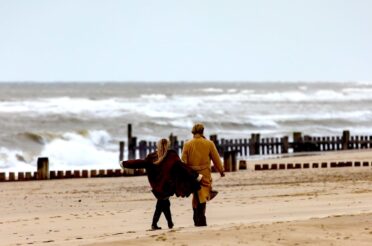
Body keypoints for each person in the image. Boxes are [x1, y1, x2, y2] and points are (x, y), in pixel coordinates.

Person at [121, 138, 201, 230]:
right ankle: (159, 224)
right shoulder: (172, 156)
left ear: (157, 146)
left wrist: (124, 163)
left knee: (163, 203)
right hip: (167, 186)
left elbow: (140, 163)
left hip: (157, 186)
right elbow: (183, 167)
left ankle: (167, 223)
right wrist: (196, 176)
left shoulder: (152, 157)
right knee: (163, 204)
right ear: (168, 145)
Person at [181, 123, 225, 227]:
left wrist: (184, 176)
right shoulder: (209, 143)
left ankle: (196, 218)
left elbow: (183, 162)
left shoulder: (187, 144)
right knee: (203, 195)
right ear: (202, 131)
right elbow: (216, 159)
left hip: (192, 175)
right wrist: (221, 171)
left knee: (196, 195)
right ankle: (201, 219)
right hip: (205, 174)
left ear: (193, 132)